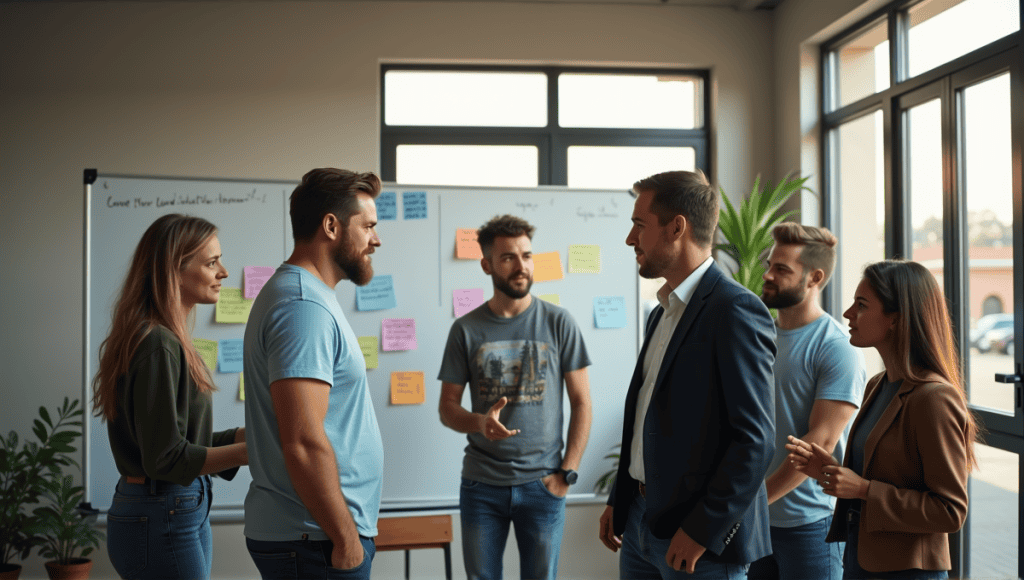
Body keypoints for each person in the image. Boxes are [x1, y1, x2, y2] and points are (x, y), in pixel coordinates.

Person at [599, 170, 777, 579]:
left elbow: (754, 440)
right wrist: (620, 499)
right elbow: (647, 415)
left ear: (676, 227)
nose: (630, 239)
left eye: (639, 226)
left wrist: (701, 530)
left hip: (698, 543)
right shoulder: (662, 311)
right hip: (642, 524)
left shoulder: (735, 310)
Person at [787, 259, 977, 579]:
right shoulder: (878, 385)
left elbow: (950, 511)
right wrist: (831, 473)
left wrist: (863, 490)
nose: (848, 314)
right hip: (861, 562)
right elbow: (882, 474)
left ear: (896, 319)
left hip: (908, 572)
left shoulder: (934, 398)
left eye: (861, 305)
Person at [243, 168, 384, 579]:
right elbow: (303, 440)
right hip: (315, 540)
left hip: (312, 538)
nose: (376, 239)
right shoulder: (303, 306)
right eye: (369, 226)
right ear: (331, 226)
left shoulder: (307, 296)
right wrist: (345, 539)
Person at [92, 214, 248, 580]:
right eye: (211, 262)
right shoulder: (158, 343)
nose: (224, 272)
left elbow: (174, 443)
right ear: (173, 270)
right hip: (164, 508)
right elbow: (165, 459)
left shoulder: (164, 339)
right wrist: (252, 452)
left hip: (173, 506)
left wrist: (243, 437)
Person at [438, 214, 592, 580]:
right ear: (487, 265)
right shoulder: (465, 329)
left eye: (527, 255)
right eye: (508, 257)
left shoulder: (559, 322)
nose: (521, 266)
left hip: (544, 484)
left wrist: (566, 473)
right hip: (481, 485)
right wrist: (479, 423)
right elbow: (447, 408)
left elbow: (582, 402)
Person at [747, 223, 866, 580]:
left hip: (810, 525)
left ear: (814, 277)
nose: (767, 275)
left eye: (782, 269)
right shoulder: (758, 335)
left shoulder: (835, 348)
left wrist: (752, 505)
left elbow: (820, 442)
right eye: (769, 265)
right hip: (757, 522)